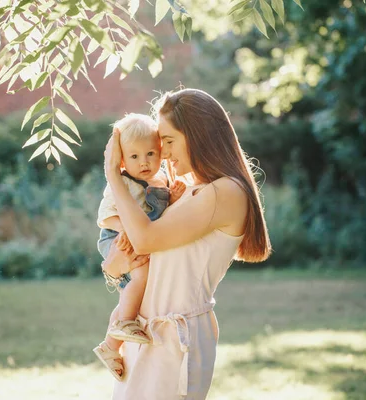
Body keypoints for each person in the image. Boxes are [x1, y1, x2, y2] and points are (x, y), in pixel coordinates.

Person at [100, 88, 272, 400]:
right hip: (145, 332)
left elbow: (145, 239)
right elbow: (142, 252)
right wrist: (113, 268)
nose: (162, 153)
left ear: (197, 135)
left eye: (168, 140)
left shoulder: (225, 193)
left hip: (174, 343)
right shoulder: (192, 191)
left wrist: (114, 174)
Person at [93, 113, 186, 381]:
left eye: (150, 154)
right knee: (141, 275)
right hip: (116, 236)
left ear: (160, 153)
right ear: (122, 160)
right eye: (134, 157)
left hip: (139, 238)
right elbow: (106, 215)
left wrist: (174, 199)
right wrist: (125, 231)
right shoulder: (122, 183)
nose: (143, 162)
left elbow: (161, 220)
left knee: (131, 295)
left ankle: (110, 346)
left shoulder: (161, 183)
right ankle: (125, 324)